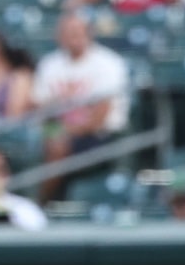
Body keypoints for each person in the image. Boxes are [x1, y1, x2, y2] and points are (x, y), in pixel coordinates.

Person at [32, 13, 130, 201]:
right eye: (67, 33)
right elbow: (39, 107)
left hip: (100, 136)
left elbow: (98, 117)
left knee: (57, 145)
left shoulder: (108, 63)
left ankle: (40, 203)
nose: (73, 38)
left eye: (77, 32)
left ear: (89, 33)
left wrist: (59, 126)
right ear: (58, 36)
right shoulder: (50, 64)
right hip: (53, 131)